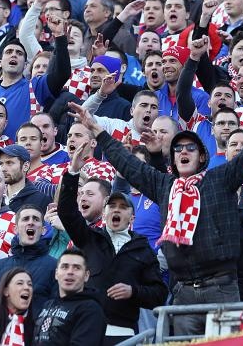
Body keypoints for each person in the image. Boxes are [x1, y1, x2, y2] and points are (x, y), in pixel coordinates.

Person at [68, 100, 243, 336]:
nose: (183, 151)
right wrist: (97, 129)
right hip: (182, 291)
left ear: (203, 157)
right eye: (178, 149)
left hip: (221, 288)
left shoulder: (220, 178)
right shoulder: (166, 186)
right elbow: (128, 164)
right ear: (172, 159)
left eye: (191, 148)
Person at [59, 147, 167, 344]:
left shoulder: (142, 249)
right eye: (112, 206)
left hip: (124, 332)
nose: (117, 210)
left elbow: (159, 294)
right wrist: (72, 172)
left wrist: (133, 291)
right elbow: (66, 212)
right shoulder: (89, 238)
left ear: (132, 217)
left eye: (123, 207)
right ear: (105, 213)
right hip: (86, 329)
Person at [0, 204, 57, 312]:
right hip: (0, 328)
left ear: (43, 230)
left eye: (35, 219)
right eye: (25, 219)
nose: (31, 222)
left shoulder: (55, 267)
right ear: (15, 229)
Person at [32, 248, 107, 345]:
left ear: (86, 276)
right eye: (64, 267)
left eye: (76, 268)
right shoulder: (48, 304)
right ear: (56, 273)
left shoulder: (91, 309)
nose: (70, 272)